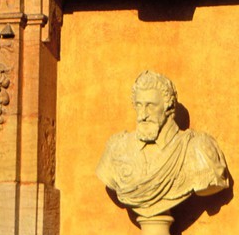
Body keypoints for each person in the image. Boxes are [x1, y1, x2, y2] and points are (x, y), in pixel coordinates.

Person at [97, 70, 229, 221]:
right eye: (138, 105)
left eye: (150, 106)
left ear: (168, 106)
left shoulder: (196, 149)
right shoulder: (117, 149)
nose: (143, 115)